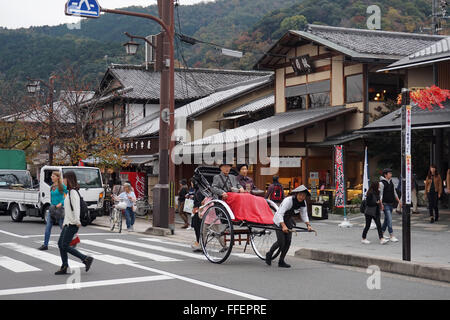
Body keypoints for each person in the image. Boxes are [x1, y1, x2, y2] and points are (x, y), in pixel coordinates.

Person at [55, 171, 93, 275]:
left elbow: (76, 208)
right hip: (68, 223)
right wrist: (65, 222)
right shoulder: (69, 192)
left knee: (65, 245)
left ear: (69, 179)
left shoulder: (73, 193)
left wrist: (77, 221)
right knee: (60, 244)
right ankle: (64, 266)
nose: (63, 181)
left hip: (73, 223)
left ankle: (85, 259)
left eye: (64, 178)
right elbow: (68, 209)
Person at [265, 185, 313, 268]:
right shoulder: (288, 200)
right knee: (281, 242)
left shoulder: (303, 203)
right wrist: (283, 226)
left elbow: (304, 214)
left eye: (304, 195)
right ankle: (269, 253)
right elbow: (280, 213)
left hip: (288, 220)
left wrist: (308, 225)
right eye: (300, 195)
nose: (302, 197)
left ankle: (281, 260)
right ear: (297, 194)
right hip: (278, 220)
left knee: (288, 241)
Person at [38, 171, 67, 251]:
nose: (51, 177)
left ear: (58, 177)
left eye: (53, 176)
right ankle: (45, 244)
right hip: (52, 208)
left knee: (62, 227)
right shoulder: (52, 186)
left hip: (60, 209)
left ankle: (68, 243)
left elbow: (68, 196)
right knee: (48, 227)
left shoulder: (62, 186)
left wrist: (61, 203)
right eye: (51, 176)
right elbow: (52, 197)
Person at [379, 168, 400, 243]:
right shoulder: (381, 183)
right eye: (389, 173)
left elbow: (394, 192)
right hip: (385, 204)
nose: (391, 174)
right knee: (390, 219)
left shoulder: (391, 182)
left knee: (387, 219)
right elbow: (380, 195)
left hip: (391, 203)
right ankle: (391, 235)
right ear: (385, 175)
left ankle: (381, 233)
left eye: (391, 173)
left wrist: (399, 201)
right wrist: (381, 205)